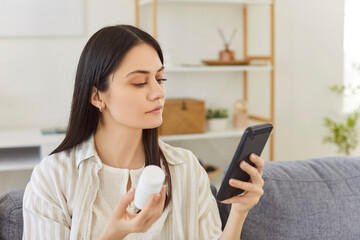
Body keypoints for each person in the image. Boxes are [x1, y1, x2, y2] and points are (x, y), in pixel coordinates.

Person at [22, 25, 265, 240]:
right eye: (139, 82)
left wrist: (239, 212)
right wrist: (114, 234)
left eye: (160, 78)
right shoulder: (54, 177)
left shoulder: (186, 168)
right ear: (97, 96)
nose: (158, 92)